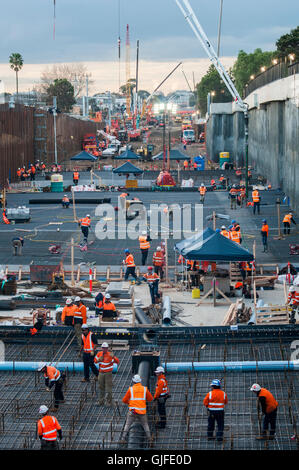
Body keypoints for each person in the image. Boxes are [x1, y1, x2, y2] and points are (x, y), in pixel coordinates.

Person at [120, 374, 153, 444]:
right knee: (145, 425)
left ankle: (123, 439)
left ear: (133, 381)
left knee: (127, 424)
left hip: (133, 411)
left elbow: (124, 400)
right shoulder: (144, 389)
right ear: (140, 381)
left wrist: (130, 403)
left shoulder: (131, 389)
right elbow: (150, 399)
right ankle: (150, 439)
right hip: (142, 412)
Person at [94, 342, 119, 406]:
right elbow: (95, 361)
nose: (104, 349)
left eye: (105, 348)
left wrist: (113, 357)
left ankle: (109, 402)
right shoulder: (99, 354)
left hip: (108, 373)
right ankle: (101, 401)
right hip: (101, 373)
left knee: (109, 388)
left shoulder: (110, 355)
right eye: (103, 348)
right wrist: (98, 360)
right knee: (101, 387)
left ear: (107, 348)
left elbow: (117, 362)